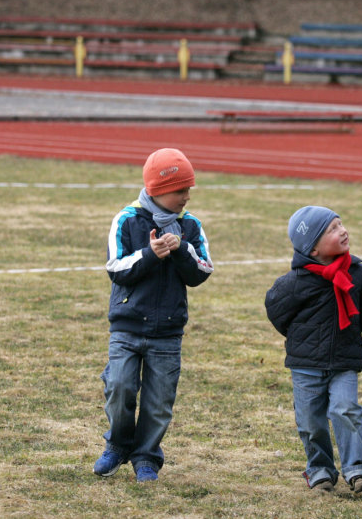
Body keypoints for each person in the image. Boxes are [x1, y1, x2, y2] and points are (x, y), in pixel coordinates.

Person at [93, 147, 214, 482]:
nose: (187, 196)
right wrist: (149, 254)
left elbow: (202, 271)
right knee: (119, 387)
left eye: (189, 189)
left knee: (159, 403)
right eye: (181, 190)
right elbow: (115, 267)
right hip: (127, 327)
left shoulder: (190, 226)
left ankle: (146, 456)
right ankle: (117, 445)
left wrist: (181, 251)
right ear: (158, 190)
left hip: (167, 331)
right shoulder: (127, 219)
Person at [265, 206, 362, 494]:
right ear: (314, 248)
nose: (343, 231)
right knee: (311, 422)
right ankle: (320, 470)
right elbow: (275, 309)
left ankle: (358, 469)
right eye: (332, 229)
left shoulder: (358, 273)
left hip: (344, 361)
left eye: (341, 224)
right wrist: (296, 337)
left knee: (346, 410)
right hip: (306, 365)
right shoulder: (294, 283)